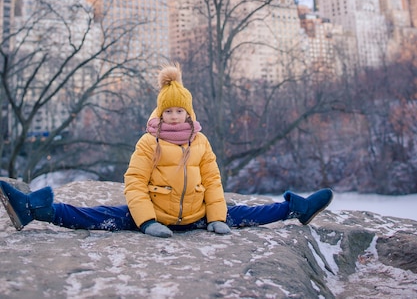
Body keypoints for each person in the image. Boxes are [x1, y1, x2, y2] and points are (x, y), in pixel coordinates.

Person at [0, 64, 333, 237]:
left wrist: (215, 218)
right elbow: (133, 183)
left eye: (180, 111)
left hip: (197, 217)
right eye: (169, 111)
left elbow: (213, 182)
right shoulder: (149, 142)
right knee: (99, 215)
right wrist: (146, 222)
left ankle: (296, 209)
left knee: (247, 213)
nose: (174, 115)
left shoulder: (200, 142)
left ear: (189, 113)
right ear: (161, 113)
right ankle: (33, 209)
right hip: (155, 216)